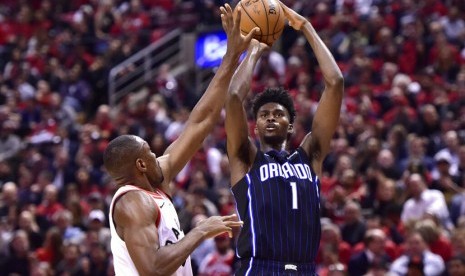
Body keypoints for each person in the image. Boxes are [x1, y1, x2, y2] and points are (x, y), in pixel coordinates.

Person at [103, 4, 259, 275]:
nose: (157, 155)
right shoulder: (133, 203)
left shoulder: (155, 182)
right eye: (150, 152)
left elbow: (201, 121)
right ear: (141, 165)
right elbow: (152, 269)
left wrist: (231, 56)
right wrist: (200, 231)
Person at [225, 2, 344, 275]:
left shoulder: (310, 154)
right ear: (255, 128)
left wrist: (307, 28)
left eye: (277, 114)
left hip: (304, 269)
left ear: (290, 127)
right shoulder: (246, 158)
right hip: (259, 267)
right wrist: (255, 50)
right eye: (263, 115)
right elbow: (233, 97)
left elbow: (335, 82)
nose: (269, 118)